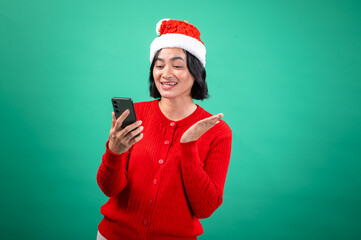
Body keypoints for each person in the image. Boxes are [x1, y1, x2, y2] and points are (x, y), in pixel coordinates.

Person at [96, 19, 233, 240]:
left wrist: (189, 148)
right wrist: (115, 151)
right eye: (159, 66)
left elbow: (205, 209)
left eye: (177, 66)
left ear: (196, 72)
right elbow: (109, 189)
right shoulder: (135, 115)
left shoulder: (218, 132)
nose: (165, 74)